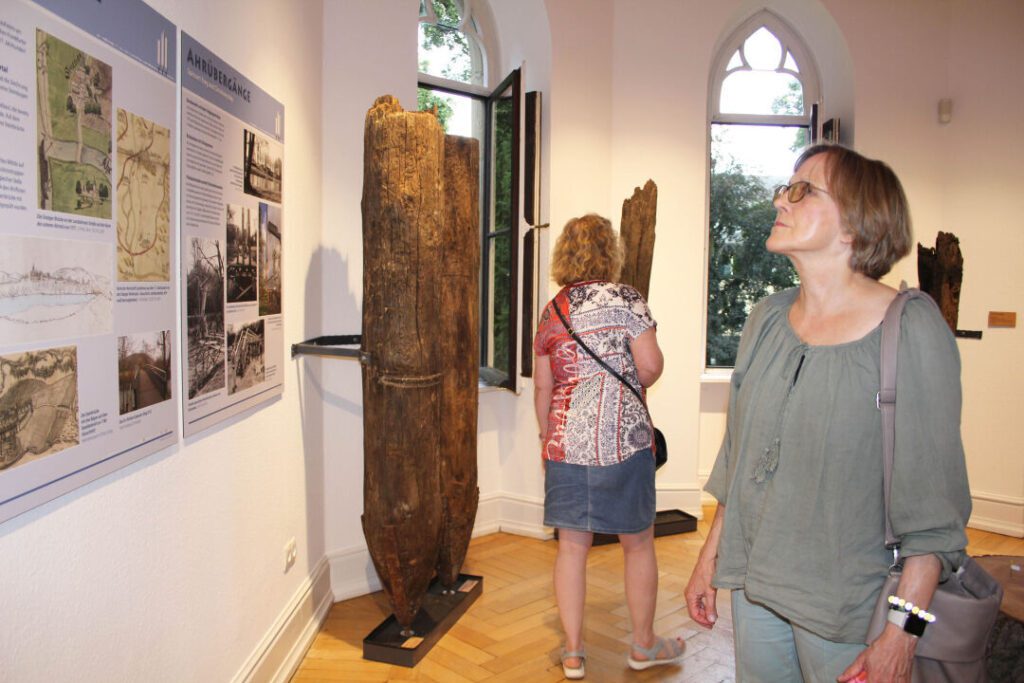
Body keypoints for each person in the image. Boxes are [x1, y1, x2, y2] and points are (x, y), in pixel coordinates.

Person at [684, 143, 972, 683]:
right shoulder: (766, 319)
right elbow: (742, 461)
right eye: (784, 189)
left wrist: (903, 637)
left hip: (850, 609)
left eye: (803, 191)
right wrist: (711, 562)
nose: (781, 202)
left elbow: (936, 517)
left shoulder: (910, 331)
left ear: (855, 226)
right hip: (754, 588)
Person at [534, 213, 682, 679]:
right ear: (610, 252)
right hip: (625, 442)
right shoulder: (628, 299)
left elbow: (543, 388)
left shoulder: (553, 309)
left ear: (564, 253)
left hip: (567, 445)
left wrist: (547, 437)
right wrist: (620, 390)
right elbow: (652, 365)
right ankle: (643, 645)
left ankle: (574, 652)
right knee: (637, 543)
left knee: (571, 547)